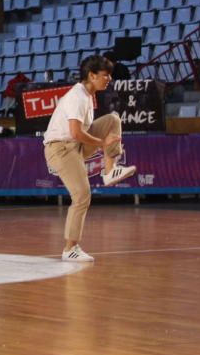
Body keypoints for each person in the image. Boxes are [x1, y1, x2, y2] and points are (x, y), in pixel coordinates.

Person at [44, 54, 138, 263]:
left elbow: (82, 134)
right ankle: (70, 248)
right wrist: (102, 143)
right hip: (60, 149)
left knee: (113, 119)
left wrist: (103, 144)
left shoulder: (88, 95)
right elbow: (76, 132)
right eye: (105, 75)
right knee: (82, 195)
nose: (109, 79)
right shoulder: (77, 97)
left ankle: (110, 170)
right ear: (92, 75)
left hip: (75, 144)